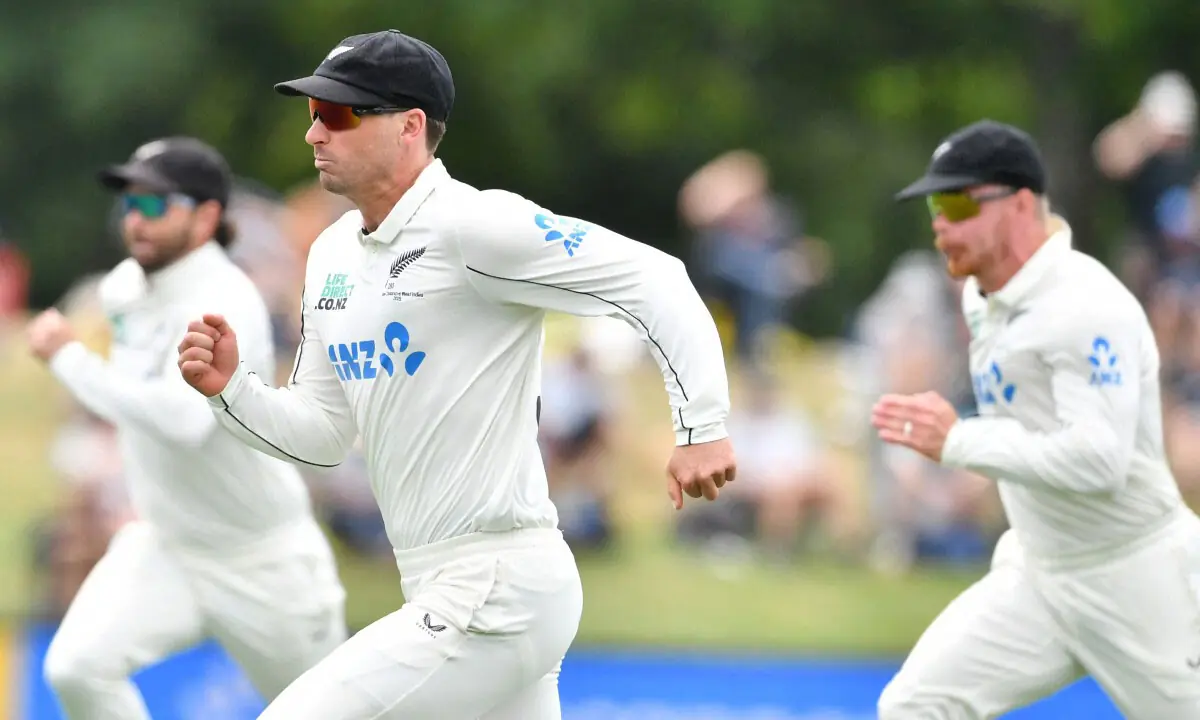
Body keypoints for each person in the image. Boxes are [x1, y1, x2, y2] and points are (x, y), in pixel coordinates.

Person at [176, 29, 736, 719]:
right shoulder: (329, 257)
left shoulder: (474, 225)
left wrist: (702, 428)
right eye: (314, 113)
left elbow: (657, 279)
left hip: (497, 585)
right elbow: (322, 435)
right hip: (444, 584)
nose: (314, 133)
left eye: (340, 114)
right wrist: (231, 392)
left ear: (410, 127)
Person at [871, 119, 1200, 719]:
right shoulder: (983, 295)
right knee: (913, 708)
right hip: (1039, 572)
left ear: (1020, 204)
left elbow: (1098, 462)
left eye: (956, 203)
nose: (940, 224)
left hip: (1136, 576)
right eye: (934, 208)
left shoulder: (1085, 306)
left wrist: (960, 440)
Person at [27, 137, 347, 719]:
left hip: (262, 559)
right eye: (129, 202)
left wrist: (70, 360)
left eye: (154, 204)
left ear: (206, 217)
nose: (135, 218)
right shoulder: (124, 287)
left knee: (329, 711)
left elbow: (182, 422)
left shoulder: (226, 300)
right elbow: (139, 403)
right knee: (76, 669)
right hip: (167, 545)